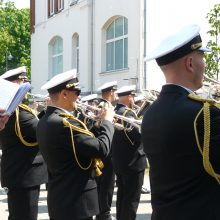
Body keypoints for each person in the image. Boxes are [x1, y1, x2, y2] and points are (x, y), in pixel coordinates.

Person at [142, 24, 220, 220]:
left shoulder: (150, 113)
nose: (206, 65)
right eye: (202, 58)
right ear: (190, 63)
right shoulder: (204, 114)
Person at [36, 69, 115, 220]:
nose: (79, 97)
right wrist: (107, 122)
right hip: (75, 202)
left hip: (63, 198)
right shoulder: (64, 123)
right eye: (77, 92)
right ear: (64, 94)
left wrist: (99, 125)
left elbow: (81, 145)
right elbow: (101, 149)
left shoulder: (46, 120)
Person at [0, 66, 48, 220]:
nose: (26, 90)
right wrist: (55, 109)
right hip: (25, 175)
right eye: (22, 83)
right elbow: (42, 132)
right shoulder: (19, 114)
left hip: (17, 173)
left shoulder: (16, 111)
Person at [112, 85, 147, 220]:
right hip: (133, 163)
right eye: (132, 96)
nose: (133, 99)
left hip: (120, 162)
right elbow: (138, 137)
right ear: (128, 97)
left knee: (122, 197)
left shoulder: (115, 111)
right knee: (132, 200)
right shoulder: (128, 114)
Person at [95, 81, 118, 220]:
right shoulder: (103, 106)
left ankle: (103, 213)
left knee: (104, 188)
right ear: (110, 92)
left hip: (107, 153)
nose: (116, 95)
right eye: (115, 92)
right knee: (105, 188)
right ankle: (104, 214)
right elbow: (98, 128)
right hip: (106, 156)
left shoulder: (105, 106)